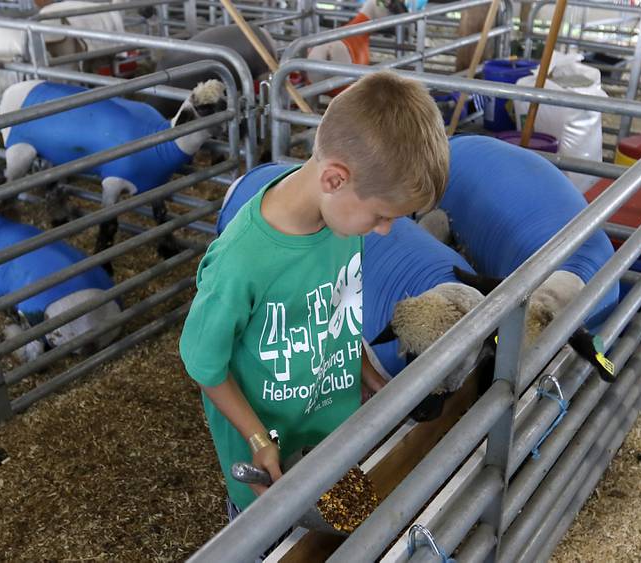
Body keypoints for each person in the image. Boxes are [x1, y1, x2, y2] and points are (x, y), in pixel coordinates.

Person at [178, 70, 449, 523]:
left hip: (331, 438)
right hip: (271, 467)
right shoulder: (243, 260)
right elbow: (203, 363)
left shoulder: (341, 223)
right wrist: (258, 440)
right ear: (335, 180)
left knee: (341, 533)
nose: (386, 229)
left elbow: (339, 310)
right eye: (382, 215)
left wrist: (364, 371)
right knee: (268, 541)